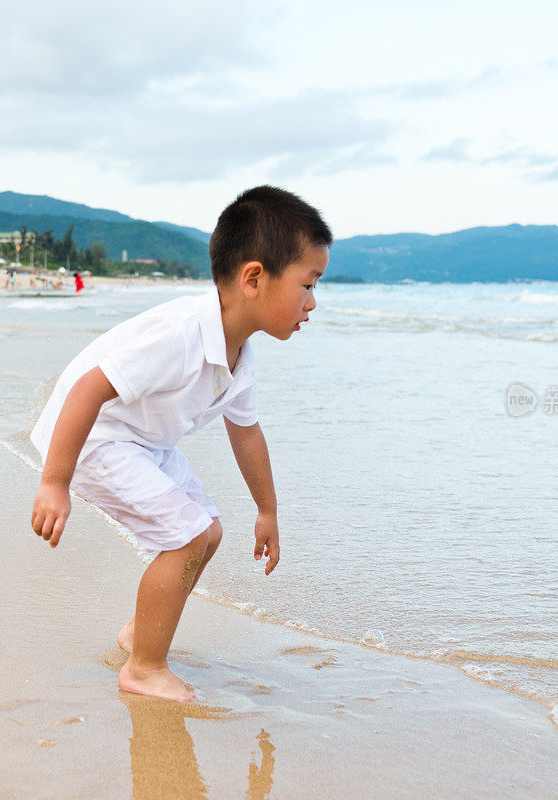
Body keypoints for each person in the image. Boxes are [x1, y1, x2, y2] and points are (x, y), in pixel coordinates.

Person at [29, 186, 331, 702]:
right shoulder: (179, 333)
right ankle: (144, 668)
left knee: (208, 533)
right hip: (96, 436)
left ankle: (138, 635)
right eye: (307, 284)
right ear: (254, 278)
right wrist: (54, 483)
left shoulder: (240, 354)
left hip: (145, 441)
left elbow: (246, 431)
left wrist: (268, 509)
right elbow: (88, 389)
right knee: (187, 535)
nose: (313, 301)